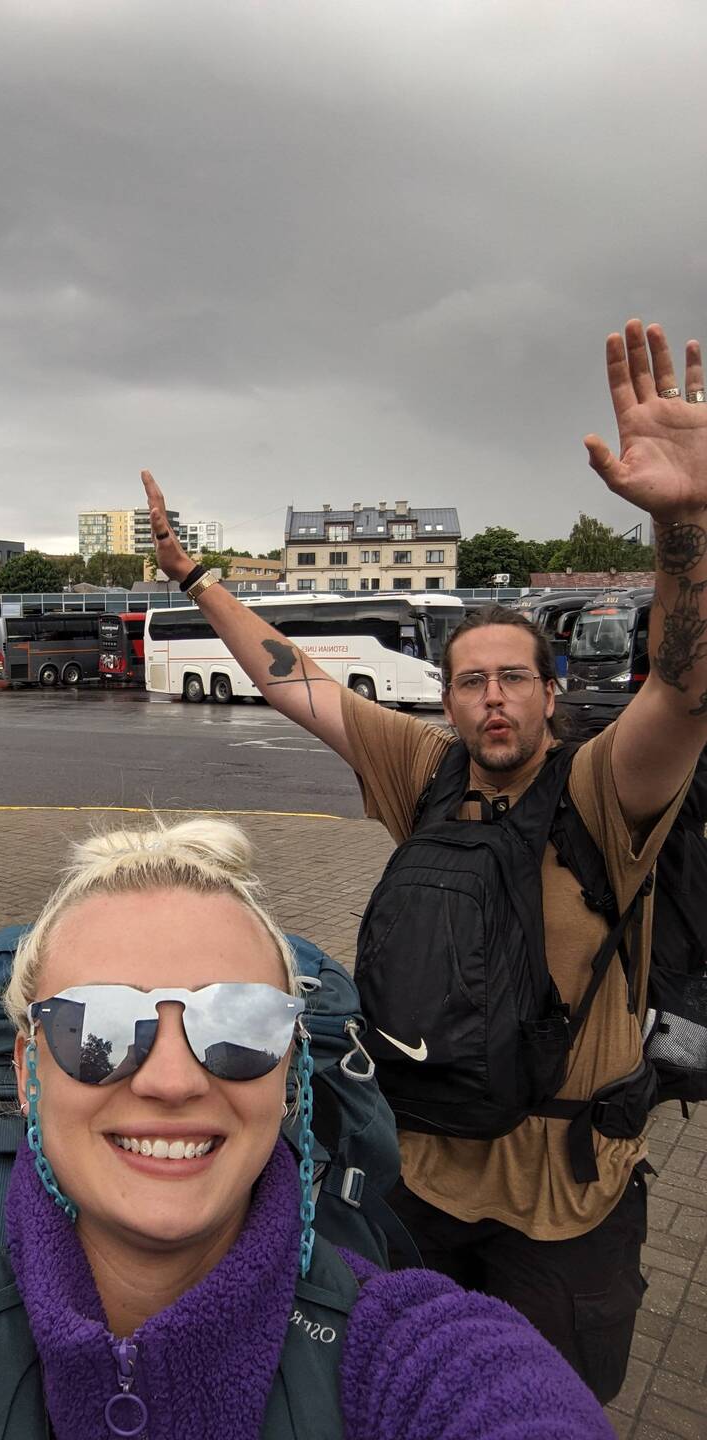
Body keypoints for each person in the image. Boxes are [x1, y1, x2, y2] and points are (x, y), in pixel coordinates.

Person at [136, 317, 707, 1402]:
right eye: (471, 682)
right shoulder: (427, 771)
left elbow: (683, 687)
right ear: (446, 699)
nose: (493, 699)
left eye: (514, 679)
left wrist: (683, 530)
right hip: (426, 1177)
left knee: (541, 1413)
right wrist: (198, 578)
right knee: (399, 1403)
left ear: (550, 694)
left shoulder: (604, 788)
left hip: (563, 1203)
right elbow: (291, 678)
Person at [0, 818, 612, 1438]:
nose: (170, 1080)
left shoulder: (420, 1361)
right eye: (97, 1029)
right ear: (28, 1073)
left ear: (290, 1071)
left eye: (237, 1025)